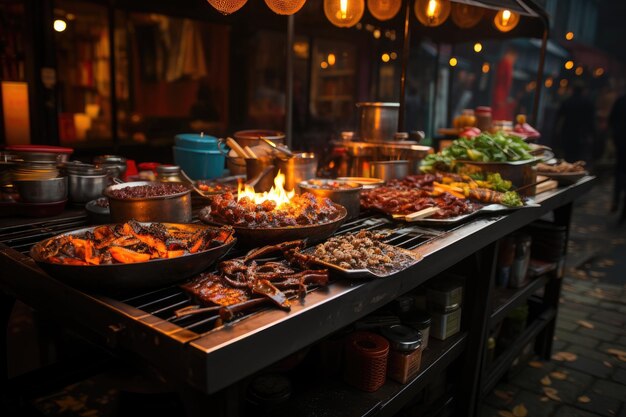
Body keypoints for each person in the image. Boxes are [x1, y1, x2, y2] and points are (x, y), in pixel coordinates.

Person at [553, 83, 595, 163]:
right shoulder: (588, 103)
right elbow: (591, 121)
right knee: (578, 158)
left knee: (567, 157)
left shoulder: (567, 101)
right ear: (583, 91)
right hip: (581, 135)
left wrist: (556, 133)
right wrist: (592, 135)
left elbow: (558, 118)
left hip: (567, 133)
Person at [609, 92, 626, 222]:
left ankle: (616, 200)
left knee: (619, 172)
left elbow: (612, 120)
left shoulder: (620, 100)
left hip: (620, 142)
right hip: (620, 141)